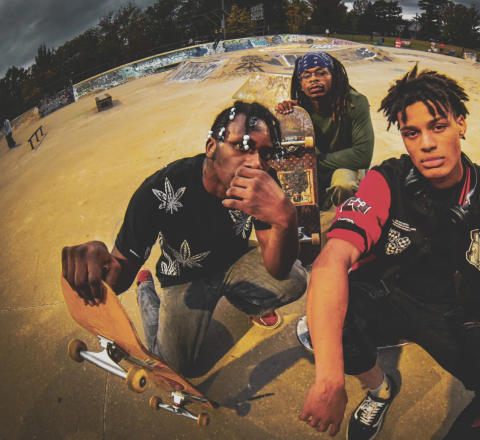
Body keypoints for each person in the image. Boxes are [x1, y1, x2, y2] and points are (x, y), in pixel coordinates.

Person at [298, 66, 480, 440]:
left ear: (461, 124)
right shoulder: (387, 179)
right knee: (325, 322)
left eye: (438, 126)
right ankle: (380, 389)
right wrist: (329, 379)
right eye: (412, 133)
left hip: (450, 314)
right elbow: (331, 260)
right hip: (385, 293)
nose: (426, 143)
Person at [61, 101, 307, 377]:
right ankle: (146, 290)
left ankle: (244, 300)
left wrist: (286, 218)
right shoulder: (161, 189)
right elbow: (120, 273)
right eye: (242, 146)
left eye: (266, 153)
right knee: (176, 367)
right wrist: (99, 266)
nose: (256, 163)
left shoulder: (263, 183)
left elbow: (278, 269)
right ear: (211, 147)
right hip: (184, 277)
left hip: (233, 262)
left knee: (295, 280)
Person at [275, 52, 375, 211]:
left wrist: (312, 161)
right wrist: (288, 117)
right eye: (306, 76)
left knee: (344, 185)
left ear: (334, 77)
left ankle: (347, 219)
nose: (313, 79)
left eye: (321, 73)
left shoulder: (354, 102)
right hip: (319, 160)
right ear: (300, 83)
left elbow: (362, 155)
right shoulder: (301, 108)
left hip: (347, 163)